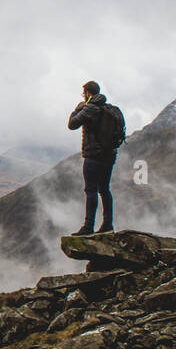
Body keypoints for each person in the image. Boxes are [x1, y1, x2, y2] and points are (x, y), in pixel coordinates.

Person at [67, 80, 116, 235]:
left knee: (91, 190)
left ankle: (88, 227)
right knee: (105, 190)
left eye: (84, 93)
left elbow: (72, 124)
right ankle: (108, 225)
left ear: (88, 93)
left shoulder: (90, 109)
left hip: (93, 156)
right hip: (109, 156)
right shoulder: (110, 109)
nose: (84, 96)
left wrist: (77, 109)